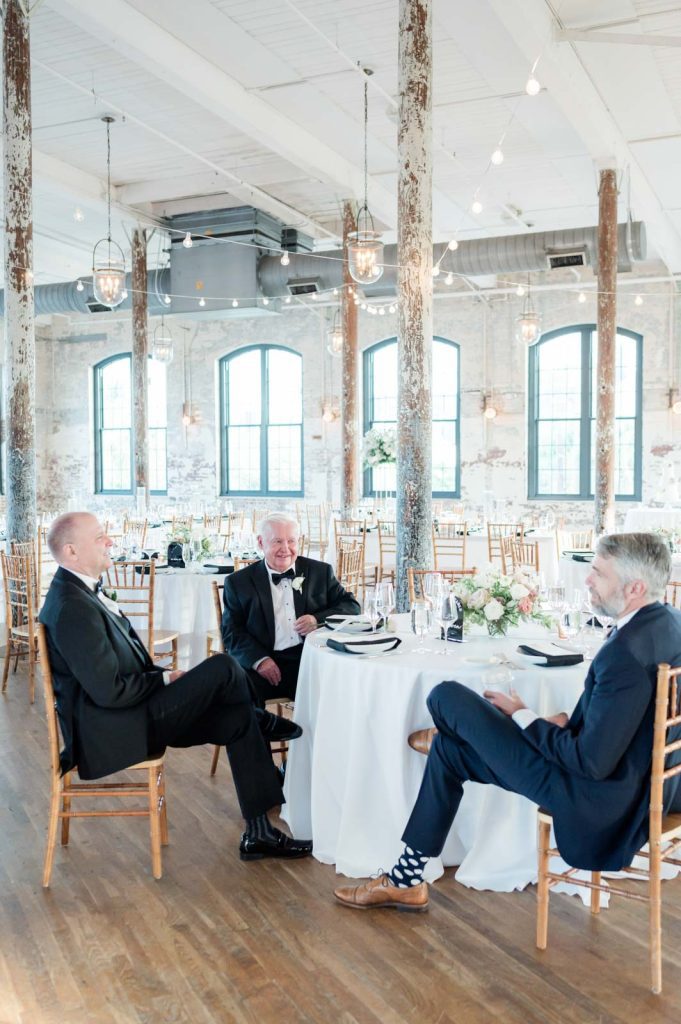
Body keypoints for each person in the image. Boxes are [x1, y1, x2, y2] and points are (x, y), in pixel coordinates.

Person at [334, 532, 681, 911]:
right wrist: (562, 721)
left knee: (446, 696)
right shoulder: (668, 623)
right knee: (450, 751)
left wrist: (524, 716)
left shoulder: (624, 656)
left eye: (598, 573)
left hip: (590, 796)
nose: (587, 580)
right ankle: (405, 879)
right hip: (630, 785)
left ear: (634, 588)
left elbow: (590, 762)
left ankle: (456, 736)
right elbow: (623, 723)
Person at [39, 512, 312, 862]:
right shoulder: (71, 607)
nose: (110, 541)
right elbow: (109, 692)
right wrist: (165, 679)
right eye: (99, 537)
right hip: (115, 731)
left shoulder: (78, 593)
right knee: (226, 666)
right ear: (72, 552)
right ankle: (262, 719)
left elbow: (115, 674)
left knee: (238, 719)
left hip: (131, 715)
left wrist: (166, 679)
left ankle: (258, 832)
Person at [222, 512, 360, 706]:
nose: (285, 549)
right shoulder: (238, 582)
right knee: (239, 698)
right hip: (262, 661)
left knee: (341, 696)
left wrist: (317, 619)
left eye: (291, 541)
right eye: (277, 541)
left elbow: (352, 607)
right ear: (261, 542)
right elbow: (232, 633)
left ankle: (315, 736)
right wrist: (259, 660)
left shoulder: (320, 572)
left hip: (309, 660)